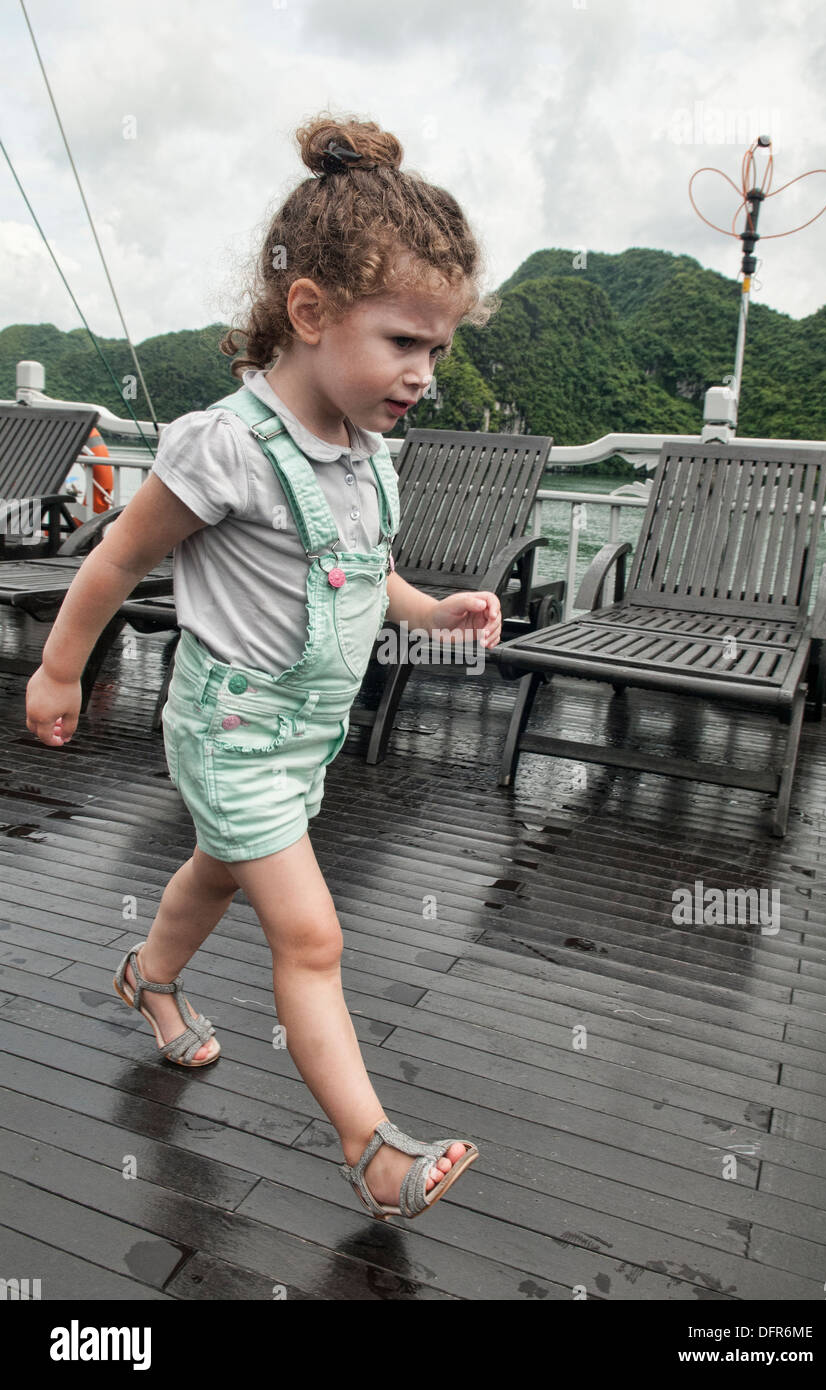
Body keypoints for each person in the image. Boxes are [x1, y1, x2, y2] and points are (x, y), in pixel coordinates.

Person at [24, 114, 503, 1223]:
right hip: (230, 726)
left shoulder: (367, 456)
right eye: (401, 343)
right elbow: (116, 557)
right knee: (309, 933)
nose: (422, 374)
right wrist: (60, 671)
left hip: (303, 736)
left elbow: (361, 568)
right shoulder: (226, 446)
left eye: (436, 350)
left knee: (214, 870)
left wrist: (430, 606)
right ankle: (373, 1151)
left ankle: (148, 977)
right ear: (309, 312)